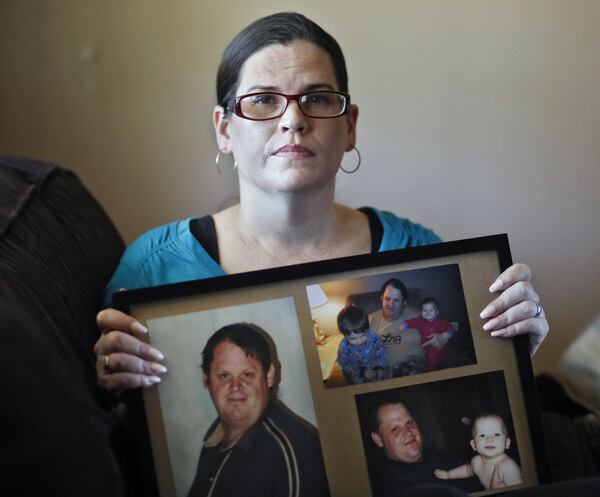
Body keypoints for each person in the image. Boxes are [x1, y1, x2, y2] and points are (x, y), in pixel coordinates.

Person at [186, 322, 329, 497]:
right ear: (206, 379)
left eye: (247, 375)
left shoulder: (296, 453)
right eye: (224, 376)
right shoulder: (214, 438)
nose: (235, 387)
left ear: (269, 376)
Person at [367, 394, 483, 495]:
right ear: (378, 439)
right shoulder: (393, 486)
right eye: (395, 429)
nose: (408, 432)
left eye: (409, 422)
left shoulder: (432, 455)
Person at [434, 414, 523, 490]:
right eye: (482, 435)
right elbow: (467, 470)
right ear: (473, 445)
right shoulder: (476, 461)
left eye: (496, 434)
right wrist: (449, 474)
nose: (489, 439)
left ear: (507, 443)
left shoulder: (509, 467)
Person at [368, 279, 427, 377]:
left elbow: (438, 328)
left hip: (418, 369)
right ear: (381, 298)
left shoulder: (418, 316)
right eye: (387, 298)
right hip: (387, 373)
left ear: (404, 302)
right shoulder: (369, 321)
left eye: (396, 300)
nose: (391, 303)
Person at [336, 305, 386, 384]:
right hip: (357, 374)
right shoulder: (343, 347)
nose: (359, 341)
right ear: (344, 335)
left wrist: (379, 367)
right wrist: (357, 373)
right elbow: (343, 363)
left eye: (363, 336)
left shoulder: (374, 338)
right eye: (353, 338)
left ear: (367, 330)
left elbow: (381, 351)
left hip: (375, 368)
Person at [404, 297, 455, 371]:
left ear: (437, 312)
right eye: (425, 310)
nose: (428, 313)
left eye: (431, 310)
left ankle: (431, 370)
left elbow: (450, 327)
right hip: (425, 346)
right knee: (427, 355)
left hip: (436, 345)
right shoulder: (420, 320)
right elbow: (412, 322)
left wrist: (447, 334)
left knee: (433, 356)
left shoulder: (441, 322)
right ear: (421, 312)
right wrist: (404, 325)